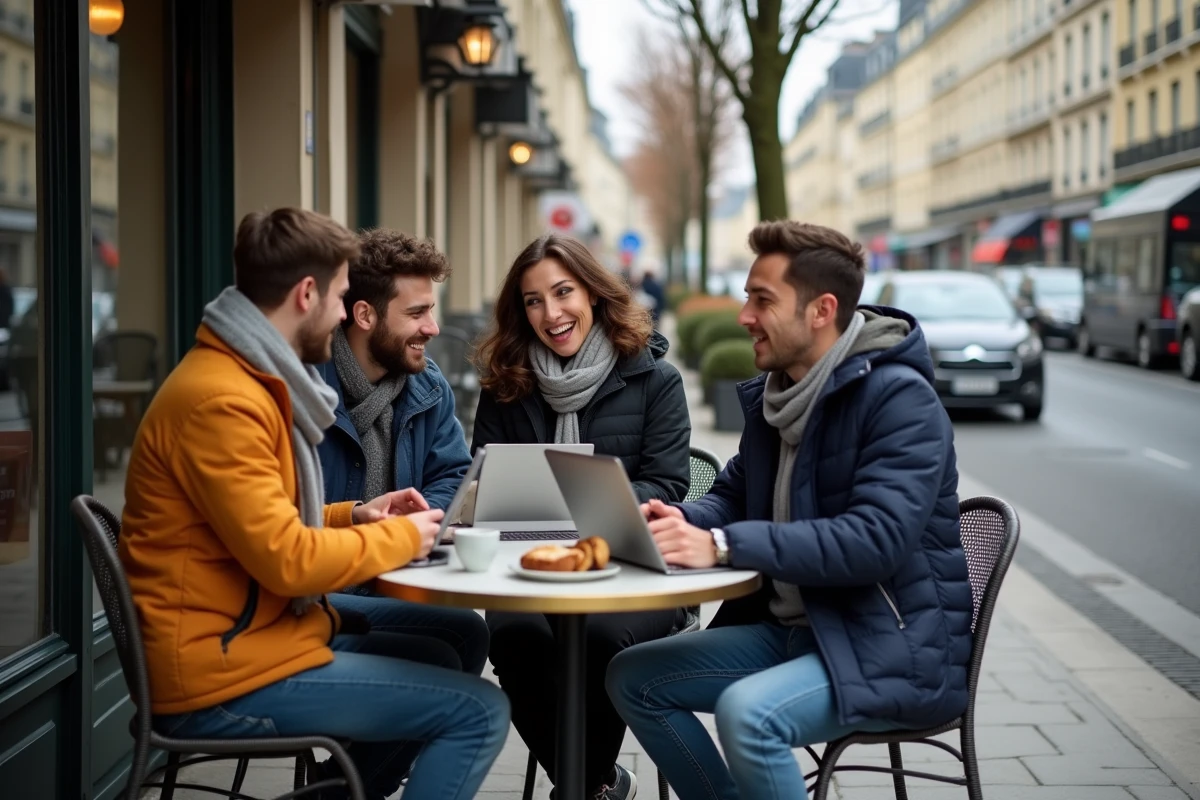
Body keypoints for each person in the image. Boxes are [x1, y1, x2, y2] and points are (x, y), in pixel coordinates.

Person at [120, 207, 510, 800]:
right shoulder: (224, 401)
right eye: (338, 295)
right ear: (307, 293)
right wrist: (409, 536)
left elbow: (269, 523)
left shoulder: (249, 376)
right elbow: (288, 562)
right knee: (478, 712)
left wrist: (353, 515)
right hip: (223, 670)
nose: (340, 313)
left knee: (455, 635)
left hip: (256, 628)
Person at [605, 220, 973, 800]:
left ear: (821, 310)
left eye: (762, 299)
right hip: (795, 632)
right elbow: (732, 493)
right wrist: (679, 521)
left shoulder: (901, 400)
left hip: (888, 648)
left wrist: (726, 547)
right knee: (633, 677)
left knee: (751, 716)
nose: (744, 315)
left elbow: (874, 541)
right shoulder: (781, 392)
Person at [471, 232, 691, 800]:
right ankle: (596, 784)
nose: (551, 312)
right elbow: (488, 483)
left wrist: (563, 502)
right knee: (515, 636)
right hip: (527, 569)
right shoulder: (505, 386)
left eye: (563, 292)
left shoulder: (655, 380)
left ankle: (581, 786)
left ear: (593, 293)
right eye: (532, 300)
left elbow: (668, 484)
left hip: (632, 571)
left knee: (599, 638)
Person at [315, 227, 488, 667]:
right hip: (320, 584)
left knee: (466, 629)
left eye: (431, 310)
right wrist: (362, 521)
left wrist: (421, 517)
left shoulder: (428, 386)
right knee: (457, 636)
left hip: (398, 572)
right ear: (365, 315)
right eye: (417, 313)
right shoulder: (307, 392)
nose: (433, 328)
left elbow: (453, 472)